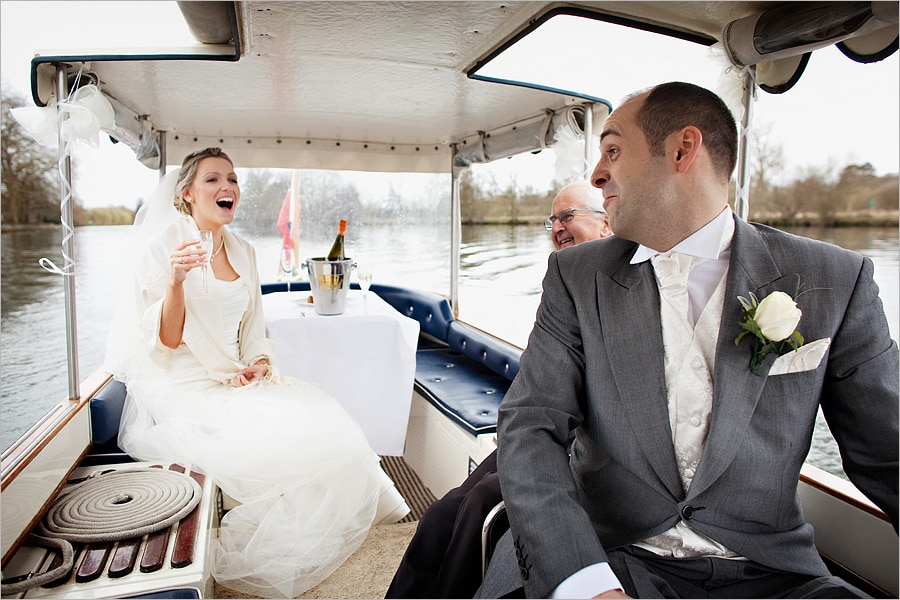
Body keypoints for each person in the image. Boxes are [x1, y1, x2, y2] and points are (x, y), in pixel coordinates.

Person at [479, 82, 898, 599]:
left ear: (682, 149)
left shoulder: (835, 277)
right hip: (611, 556)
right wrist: (585, 583)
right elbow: (531, 427)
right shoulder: (574, 276)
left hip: (775, 577)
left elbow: (889, 454)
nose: (596, 174)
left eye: (612, 150)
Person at [105, 147, 409, 598]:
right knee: (296, 444)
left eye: (232, 179)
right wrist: (174, 281)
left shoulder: (244, 250)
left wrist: (260, 364)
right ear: (187, 193)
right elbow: (166, 342)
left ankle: (338, 530)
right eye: (212, 180)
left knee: (332, 432)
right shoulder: (162, 249)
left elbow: (253, 329)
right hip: (186, 386)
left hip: (238, 380)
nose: (226, 187)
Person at [385, 181, 614, 599]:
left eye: (568, 216)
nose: (557, 228)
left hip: (588, 446)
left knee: (481, 507)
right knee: (438, 515)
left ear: (606, 223)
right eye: (552, 220)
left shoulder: (624, 285)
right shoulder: (563, 285)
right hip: (543, 429)